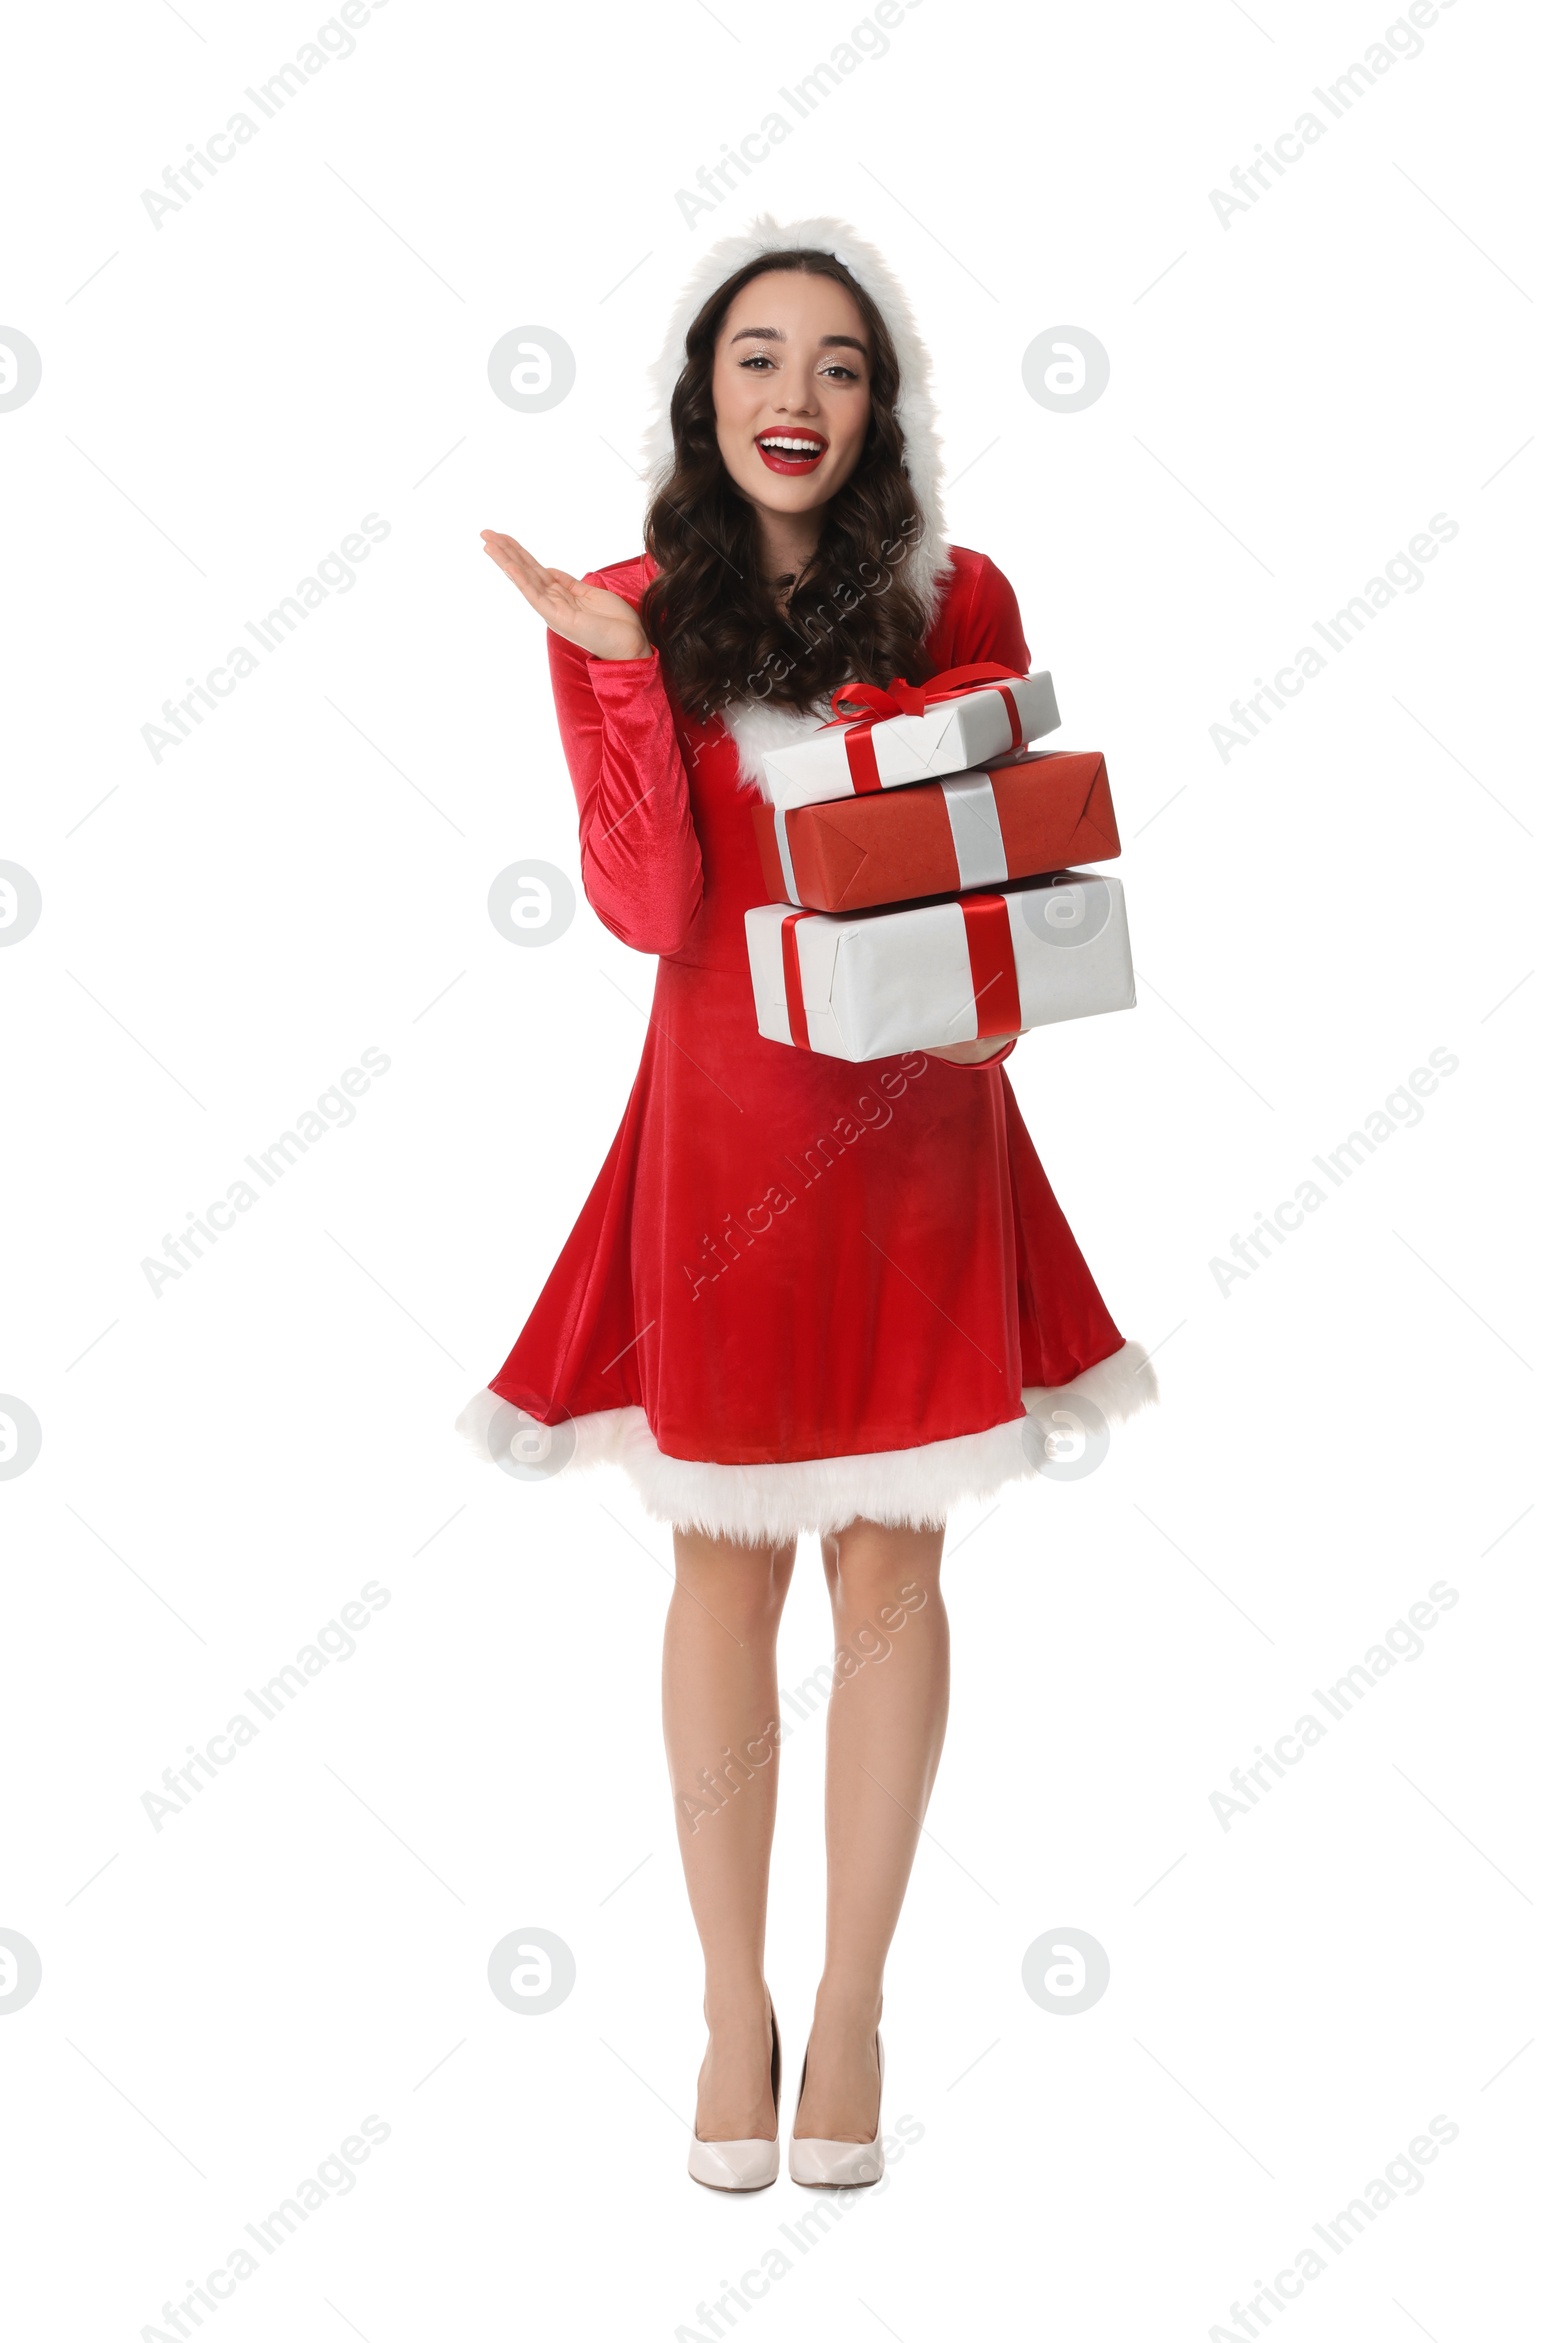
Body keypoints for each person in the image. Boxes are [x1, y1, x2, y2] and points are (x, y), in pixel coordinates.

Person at [456, 215, 1155, 2190]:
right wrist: (613, 679)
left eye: (835, 364)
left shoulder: (959, 594)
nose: (793, 395)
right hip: (719, 1132)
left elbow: (998, 876)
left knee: (888, 1566)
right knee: (718, 1561)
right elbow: (650, 909)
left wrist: (982, 1020)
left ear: (880, 401)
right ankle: (725, 2003)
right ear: (704, 392)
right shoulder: (627, 601)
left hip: (914, 1140)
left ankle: (846, 2002)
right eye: (757, 358)